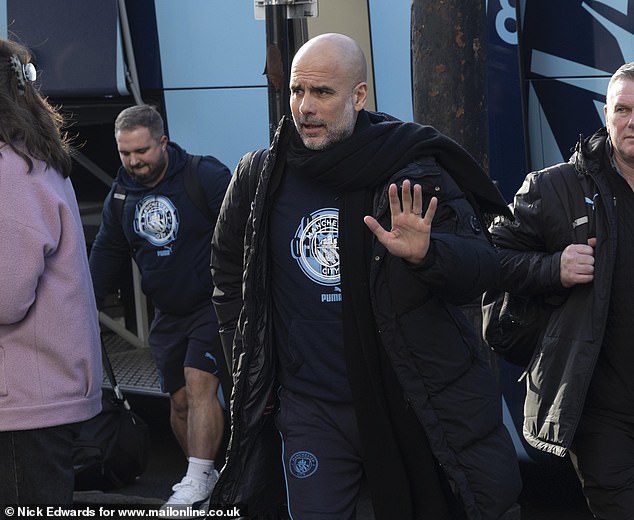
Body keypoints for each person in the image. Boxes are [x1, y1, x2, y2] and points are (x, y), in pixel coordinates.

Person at [211, 33, 521, 520]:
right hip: (308, 410)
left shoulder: (411, 168)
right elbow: (229, 274)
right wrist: (249, 364)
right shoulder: (260, 176)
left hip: (405, 403)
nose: (305, 107)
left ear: (359, 95)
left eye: (322, 93)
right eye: (297, 91)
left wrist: (428, 254)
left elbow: (483, 270)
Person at [488, 62, 634, 519]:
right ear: (605, 114)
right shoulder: (557, 188)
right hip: (599, 409)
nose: (632, 122)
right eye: (623, 109)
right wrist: (555, 268)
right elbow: (490, 258)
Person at [89, 104, 231, 509]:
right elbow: (106, 253)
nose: (134, 162)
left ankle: (195, 479)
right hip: (167, 311)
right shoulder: (121, 196)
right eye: (125, 153)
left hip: (213, 303)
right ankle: (203, 478)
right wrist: (84, 305)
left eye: (142, 151)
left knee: (199, 379)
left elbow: (246, 229)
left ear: (163, 142)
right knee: (180, 401)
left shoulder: (203, 175)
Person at [0, 38, 102, 503]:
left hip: (24, 398)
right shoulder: (32, 158)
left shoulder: (8, 168)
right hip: (34, 393)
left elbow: (6, 295)